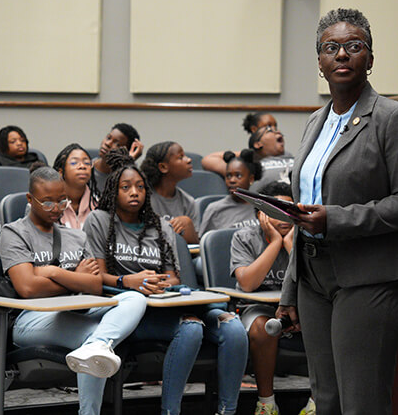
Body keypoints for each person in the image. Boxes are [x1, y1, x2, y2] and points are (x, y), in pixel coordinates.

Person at [276, 8, 398, 415]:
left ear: (370, 58)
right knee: (325, 400)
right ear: (320, 62)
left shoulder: (393, 118)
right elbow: (303, 213)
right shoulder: (315, 121)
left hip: (369, 277)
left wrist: (336, 219)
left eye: (354, 46)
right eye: (331, 48)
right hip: (313, 278)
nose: (342, 54)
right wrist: (290, 289)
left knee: (361, 403)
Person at [85, 149, 249, 415]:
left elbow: (174, 277)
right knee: (191, 328)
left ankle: (227, 411)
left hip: (166, 301)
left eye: (140, 187)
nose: (134, 192)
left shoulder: (161, 226)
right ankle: (170, 411)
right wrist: (129, 281)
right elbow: (96, 276)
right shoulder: (100, 220)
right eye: (126, 187)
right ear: (113, 191)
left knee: (233, 327)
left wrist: (157, 282)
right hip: (129, 310)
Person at [2, 166, 147, 415]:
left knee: (134, 298)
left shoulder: (76, 237)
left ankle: (97, 346)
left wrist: (53, 272)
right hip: (31, 318)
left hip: (76, 310)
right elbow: (28, 287)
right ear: (30, 199)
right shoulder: (14, 233)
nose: (56, 208)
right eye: (48, 202)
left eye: (62, 201)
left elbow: (95, 285)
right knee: (95, 339)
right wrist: (76, 277)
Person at [230, 181, 315, 415]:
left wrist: (290, 245)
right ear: (262, 214)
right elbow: (248, 283)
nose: (284, 217)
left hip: (302, 307)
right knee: (262, 327)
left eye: (289, 211)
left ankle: (316, 403)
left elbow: (313, 280)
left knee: (326, 322)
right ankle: (266, 403)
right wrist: (275, 243)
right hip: (258, 307)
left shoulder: (307, 237)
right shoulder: (244, 237)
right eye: (277, 211)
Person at [141, 141, 200, 244]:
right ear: (163, 167)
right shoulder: (143, 198)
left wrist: (189, 228)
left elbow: (195, 247)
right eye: (181, 157)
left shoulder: (188, 201)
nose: (189, 160)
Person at [198, 150, 262, 236]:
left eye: (238, 176)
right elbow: (205, 240)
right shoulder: (215, 209)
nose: (232, 180)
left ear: (251, 179)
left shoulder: (262, 206)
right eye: (228, 176)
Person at [201, 112, 279, 175]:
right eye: (268, 126)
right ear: (254, 129)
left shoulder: (284, 155)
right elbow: (208, 160)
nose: (274, 130)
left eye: (275, 126)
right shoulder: (247, 160)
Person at [52, 143, 98, 230]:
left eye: (87, 163)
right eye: (74, 163)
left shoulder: (98, 205)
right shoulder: (50, 206)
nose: (82, 166)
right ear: (61, 172)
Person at [91, 123, 143, 193]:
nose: (107, 144)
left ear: (126, 152)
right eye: (108, 138)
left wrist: (129, 161)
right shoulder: (86, 169)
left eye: (117, 144)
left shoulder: (129, 175)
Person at [247, 125, 294, 193]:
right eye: (270, 130)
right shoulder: (255, 166)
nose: (278, 132)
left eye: (277, 130)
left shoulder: (296, 160)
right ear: (258, 144)